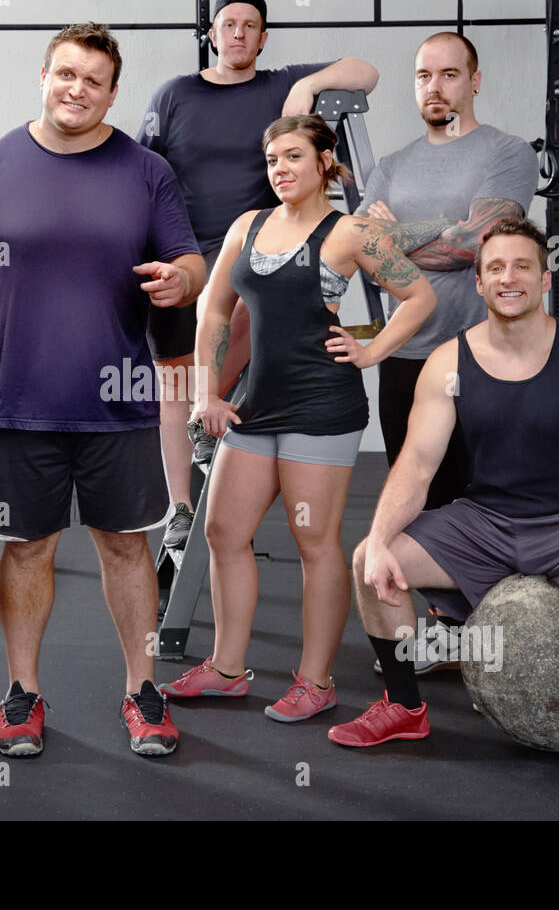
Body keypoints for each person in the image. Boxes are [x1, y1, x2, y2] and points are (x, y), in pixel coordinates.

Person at [0, 23, 205, 758]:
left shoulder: (145, 170)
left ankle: (143, 690)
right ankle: (23, 692)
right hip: (20, 402)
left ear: (112, 93)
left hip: (121, 399)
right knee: (26, 549)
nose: (76, 89)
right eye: (65, 74)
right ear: (43, 76)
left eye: (93, 80)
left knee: (128, 547)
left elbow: (190, 264)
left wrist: (182, 279)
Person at [327, 218, 559, 801]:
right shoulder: (448, 364)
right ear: (479, 284)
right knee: (367, 561)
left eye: (522, 267)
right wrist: (380, 538)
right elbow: (417, 465)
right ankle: (405, 707)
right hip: (481, 521)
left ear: (545, 279)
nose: (510, 279)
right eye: (496, 269)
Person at [158, 115, 435, 722]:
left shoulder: (351, 232)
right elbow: (212, 314)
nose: (281, 169)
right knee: (223, 533)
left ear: (324, 161)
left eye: (293, 157)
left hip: (322, 407)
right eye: (272, 160)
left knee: (314, 543)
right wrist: (208, 393)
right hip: (257, 406)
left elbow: (420, 298)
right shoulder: (248, 227)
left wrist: (370, 350)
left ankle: (316, 681)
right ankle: (228, 670)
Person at [139, 0, 381, 551]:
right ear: (213, 34)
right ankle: (178, 504)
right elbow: (144, 169)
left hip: (256, 245)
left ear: (263, 37)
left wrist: (306, 88)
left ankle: (212, 409)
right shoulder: (175, 94)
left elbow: (366, 72)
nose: (240, 33)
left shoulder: (280, 85)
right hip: (185, 251)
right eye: (229, 24)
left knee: (246, 309)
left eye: (252, 25)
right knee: (174, 380)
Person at [354, 30, 538, 673]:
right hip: (409, 353)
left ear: (475, 82)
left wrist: (394, 237)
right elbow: (367, 260)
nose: (435, 87)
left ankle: (496, 626)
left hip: (486, 353)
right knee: (420, 493)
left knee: (486, 493)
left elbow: (478, 242)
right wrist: (402, 243)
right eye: (424, 76)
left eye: (449, 75)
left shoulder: (507, 152)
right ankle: (442, 629)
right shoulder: (395, 163)